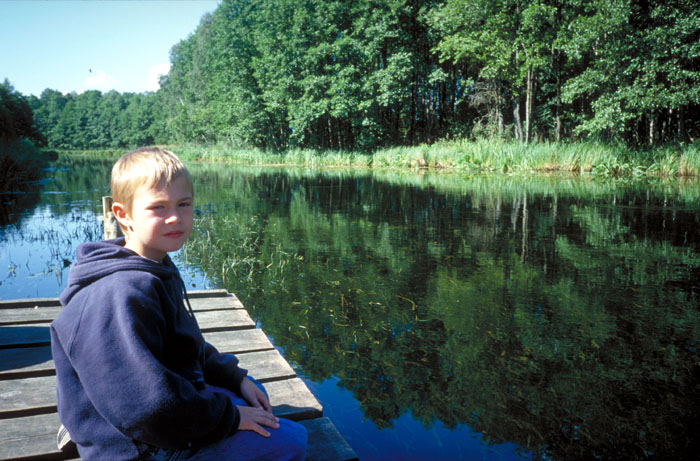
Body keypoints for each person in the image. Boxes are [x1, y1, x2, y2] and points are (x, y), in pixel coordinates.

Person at [50, 147, 307, 460]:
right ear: (123, 214)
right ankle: (91, 426)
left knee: (255, 394)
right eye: (158, 207)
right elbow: (145, 406)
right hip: (138, 444)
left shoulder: (153, 264)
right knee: (294, 441)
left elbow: (183, 345)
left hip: (157, 403)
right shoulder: (119, 293)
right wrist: (232, 418)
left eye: (184, 204)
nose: (175, 217)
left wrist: (233, 378)